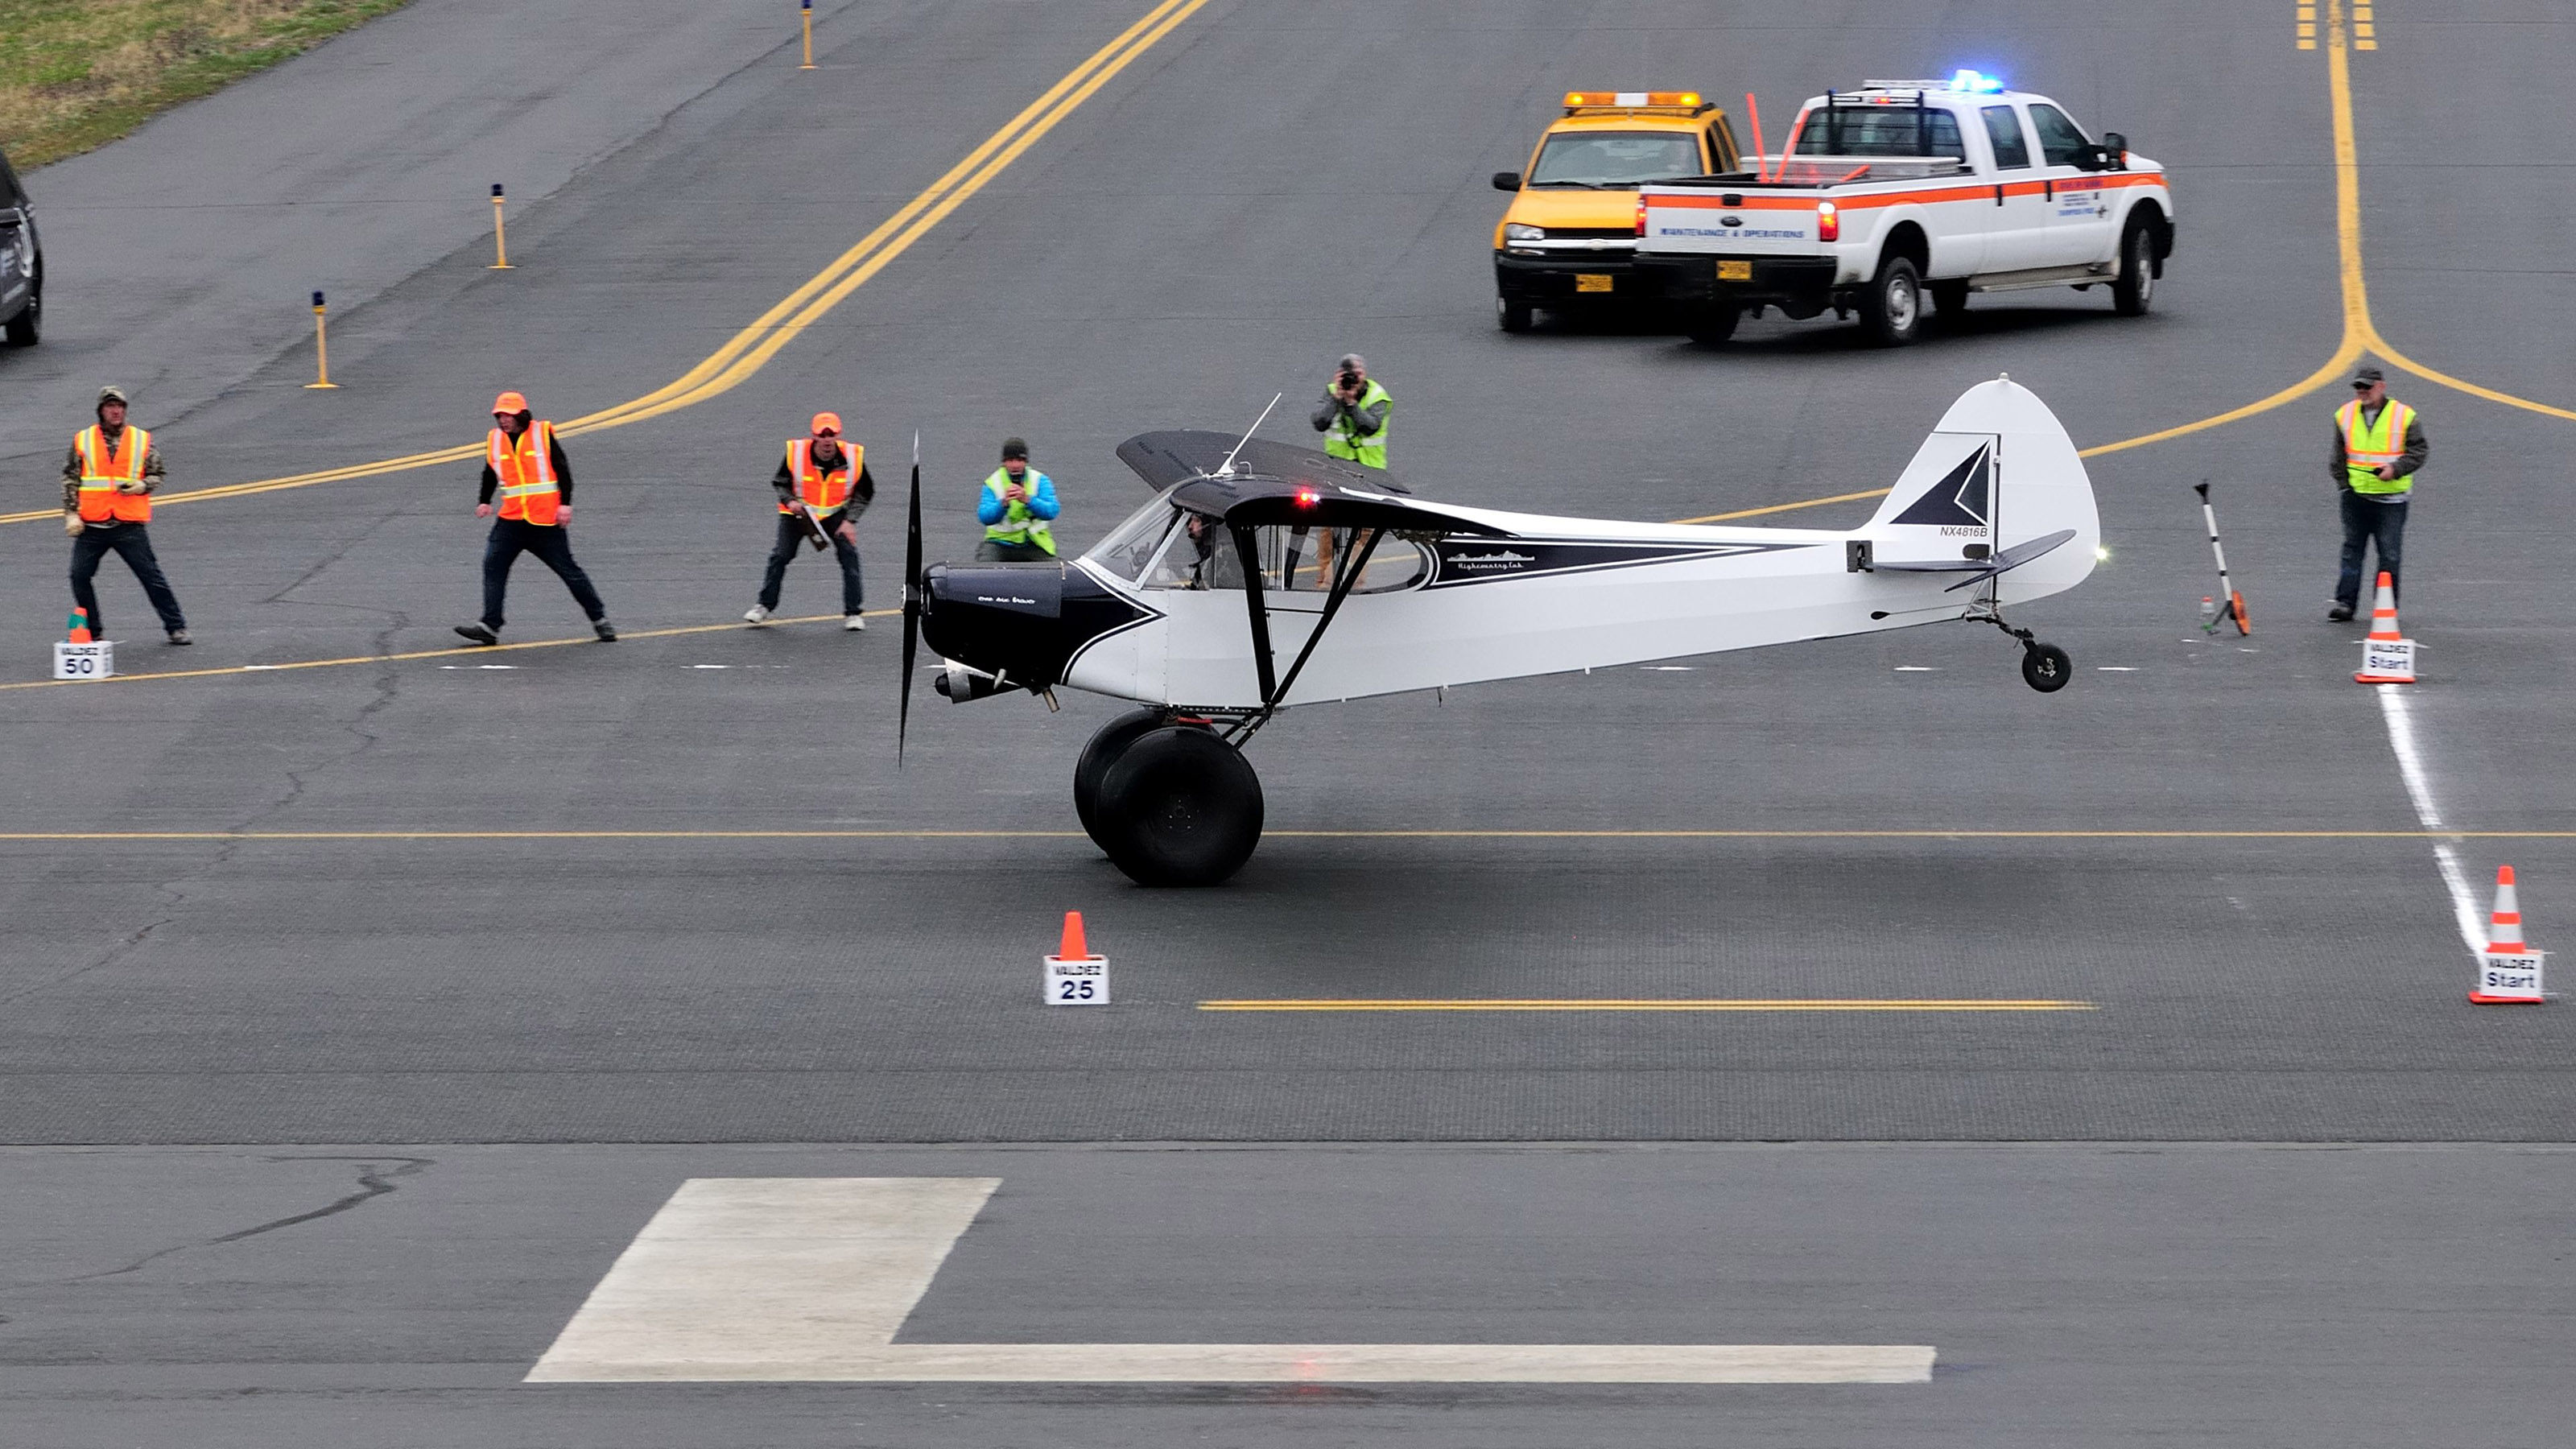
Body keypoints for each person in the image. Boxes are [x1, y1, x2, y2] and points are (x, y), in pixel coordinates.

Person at [455, 391, 614, 645]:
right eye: (500, 415)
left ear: (522, 414)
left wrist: (566, 505)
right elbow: (490, 471)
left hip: (544, 522)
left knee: (569, 571)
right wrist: (484, 500)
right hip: (511, 520)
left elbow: (562, 469)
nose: (503, 420)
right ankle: (489, 626)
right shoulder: (496, 439)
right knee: (493, 565)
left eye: (508, 415)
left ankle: (600, 620)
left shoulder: (541, 434)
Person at [62, 386, 190, 645]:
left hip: (127, 525)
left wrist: (143, 485)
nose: (116, 410)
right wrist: (71, 513)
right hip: (92, 526)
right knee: (79, 575)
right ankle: (93, 632)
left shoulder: (140, 439)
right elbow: (71, 477)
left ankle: (176, 627)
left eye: (119, 406)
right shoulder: (83, 440)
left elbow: (158, 473)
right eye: (110, 406)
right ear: (101, 411)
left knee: (151, 577)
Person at [746, 411, 874, 630]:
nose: (826, 440)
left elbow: (865, 492)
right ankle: (764, 606)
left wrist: (850, 521)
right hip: (799, 514)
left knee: (849, 557)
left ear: (838, 434)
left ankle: (853, 613)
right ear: (814, 436)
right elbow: (780, 482)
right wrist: (790, 501)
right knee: (780, 556)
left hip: (835, 515)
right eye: (822, 435)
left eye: (831, 434)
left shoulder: (853, 456)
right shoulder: (796, 453)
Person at [2328, 364, 2425, 621]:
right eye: (2358, 387)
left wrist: (2395, 470)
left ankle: (2386, 606)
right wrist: (2344, 486)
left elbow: (2419, 452)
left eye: (2367, 387)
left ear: (2381, 387)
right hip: (2355, 496)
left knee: (2390, 554)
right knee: (2352, 551)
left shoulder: (2403, 416)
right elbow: (2338, 456)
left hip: (2391, 500)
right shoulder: (2344, 415)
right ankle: (2345, 603)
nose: (2362, 391)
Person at [976, 437, 1059, 561]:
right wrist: (1003, 504)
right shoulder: (993, 482)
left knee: (1055, 573)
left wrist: (1028, 500)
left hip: (1033, 542)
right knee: (985, 571)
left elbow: (1052, 511)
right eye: (1010, 460)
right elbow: (984, 517)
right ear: (1004, 462)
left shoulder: (1040, 480)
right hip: (1000, 543)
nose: (1015, 465)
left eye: (1019, 460)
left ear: (1026, 462)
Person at [1310, 352, 1390, 470]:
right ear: (1339, 375)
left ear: (1364, 373)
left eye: (1358, 374)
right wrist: (1336, 398)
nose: (1354, 379)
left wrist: (1351, 403)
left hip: (1370, 467)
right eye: (1350, 375)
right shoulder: (1332, 391)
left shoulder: (1377, 395)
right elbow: (1319, 424)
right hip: (1337, 465)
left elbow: (1370, 428)